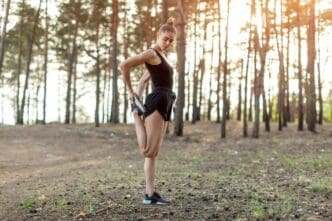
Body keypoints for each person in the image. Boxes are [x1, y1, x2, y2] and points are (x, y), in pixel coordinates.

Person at [119, 17, 177, 205]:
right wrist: (131, 92)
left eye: (171, 40)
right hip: (158, 99)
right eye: (165, 38)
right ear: (158, 35)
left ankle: (150, 194)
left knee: (154, 153)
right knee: (147, 150)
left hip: (166, 100)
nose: (167, 42)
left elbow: (144, 79)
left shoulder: (161, 57)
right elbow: (124, 65)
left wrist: (138, 96)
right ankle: (135, 114)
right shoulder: (151, 53)